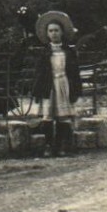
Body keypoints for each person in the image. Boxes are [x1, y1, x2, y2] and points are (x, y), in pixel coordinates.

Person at [31, 10, 82, 156]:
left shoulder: (69, 52)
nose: (53, 33)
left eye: (56, 30)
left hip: (64, 85)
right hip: (49, 86)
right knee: (47, 116)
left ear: (62, 32)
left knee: (62, 116)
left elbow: (75, 73)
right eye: (51, 31)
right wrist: (37, 91)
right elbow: (39, 73)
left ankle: (61, 146)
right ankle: (48, 146)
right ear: (47, 34)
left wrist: (76, 90)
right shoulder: (44, 52)